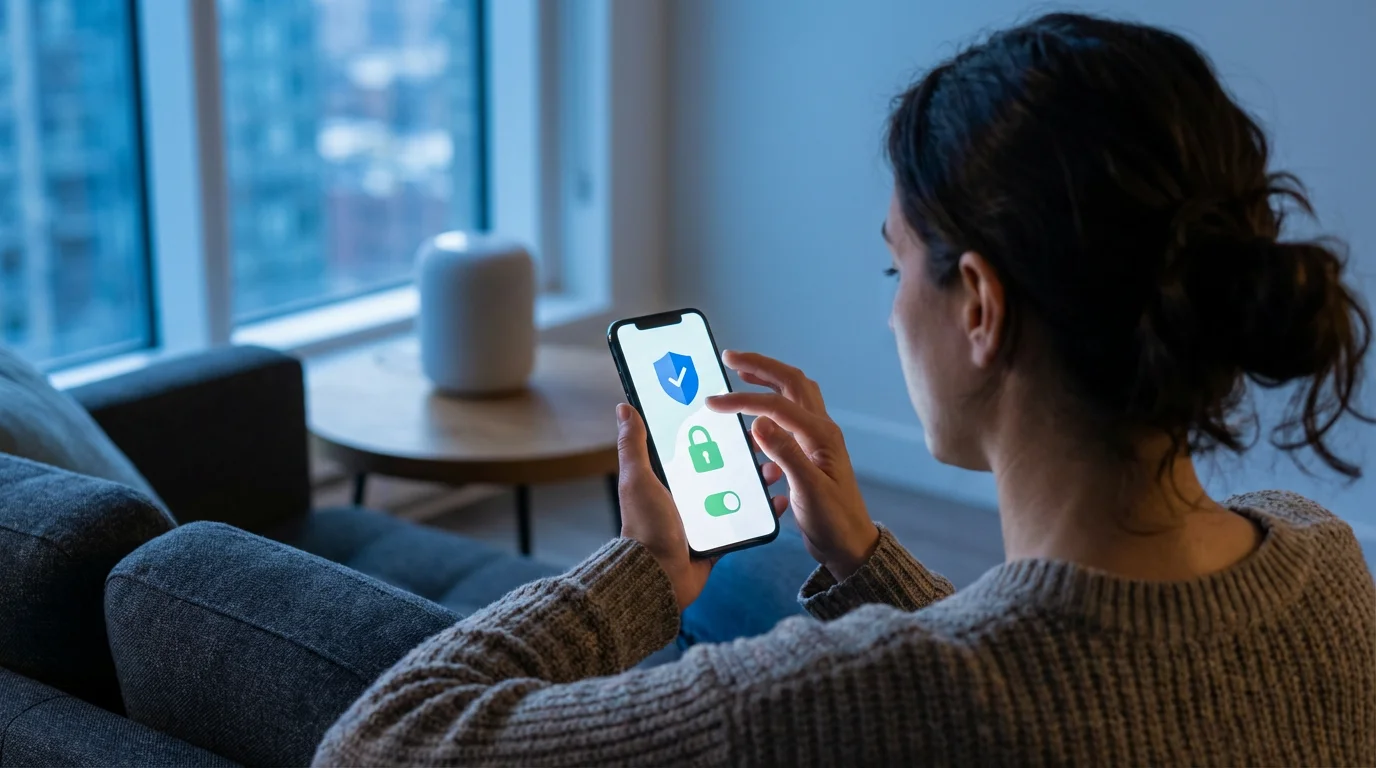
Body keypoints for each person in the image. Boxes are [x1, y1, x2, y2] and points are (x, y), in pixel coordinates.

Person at [313, 13, 1376, 766]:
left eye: (893, 264)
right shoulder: (1323, 563)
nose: (889, 312)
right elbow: (1079, 676)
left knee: (204, 570)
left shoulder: (853, 694)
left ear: (979, 306)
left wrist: (642, 573)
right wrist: (864, 560)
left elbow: (380, 744)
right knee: (756, 556)